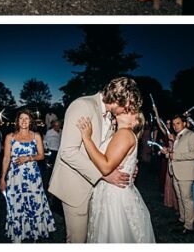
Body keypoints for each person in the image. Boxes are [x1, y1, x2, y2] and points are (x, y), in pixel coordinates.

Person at [47, 77, 141, 243]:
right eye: (127, 106)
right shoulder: (83, 106)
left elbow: (107, 150)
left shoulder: (114, 116)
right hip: (76, 187)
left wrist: (127, 165)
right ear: (118, 99)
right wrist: (104, 174)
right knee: (78, 240)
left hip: (100, 192)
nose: (128, 110)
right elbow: (68, 152)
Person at [77, 109, 155, 242]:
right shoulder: (118, 135)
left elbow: (105, 166)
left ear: (135, 121)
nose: (125, 109)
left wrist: (87, 138)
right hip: (109, 190)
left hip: (114, 195)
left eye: (131, 111)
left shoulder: (125, 133)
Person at [0, 109, 54, 242]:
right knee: (17, 203)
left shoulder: (36, 136)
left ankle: (35, 231)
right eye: (21, 118)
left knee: (35, 202)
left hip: (32, 176)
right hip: (15, 176)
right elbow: (6, 158)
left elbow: (41, 156)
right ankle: (19, 231)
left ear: (31, 121)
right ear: (17, 121)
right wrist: (2, 177)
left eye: (27, 118)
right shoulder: (10, 137)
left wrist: (28, 158)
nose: (24, 121)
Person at [161, 115, 194, 235]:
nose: (175, 126)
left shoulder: (191, 135)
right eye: (173, 124)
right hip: (176, 171)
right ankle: (182, 219)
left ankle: (189, 226)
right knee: (180, 198)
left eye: (178, 123)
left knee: (187, 199)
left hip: (186, 173)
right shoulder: (178, 136)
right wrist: (167, 153)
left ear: (185, 123)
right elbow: (175, 154)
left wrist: (175, 156)